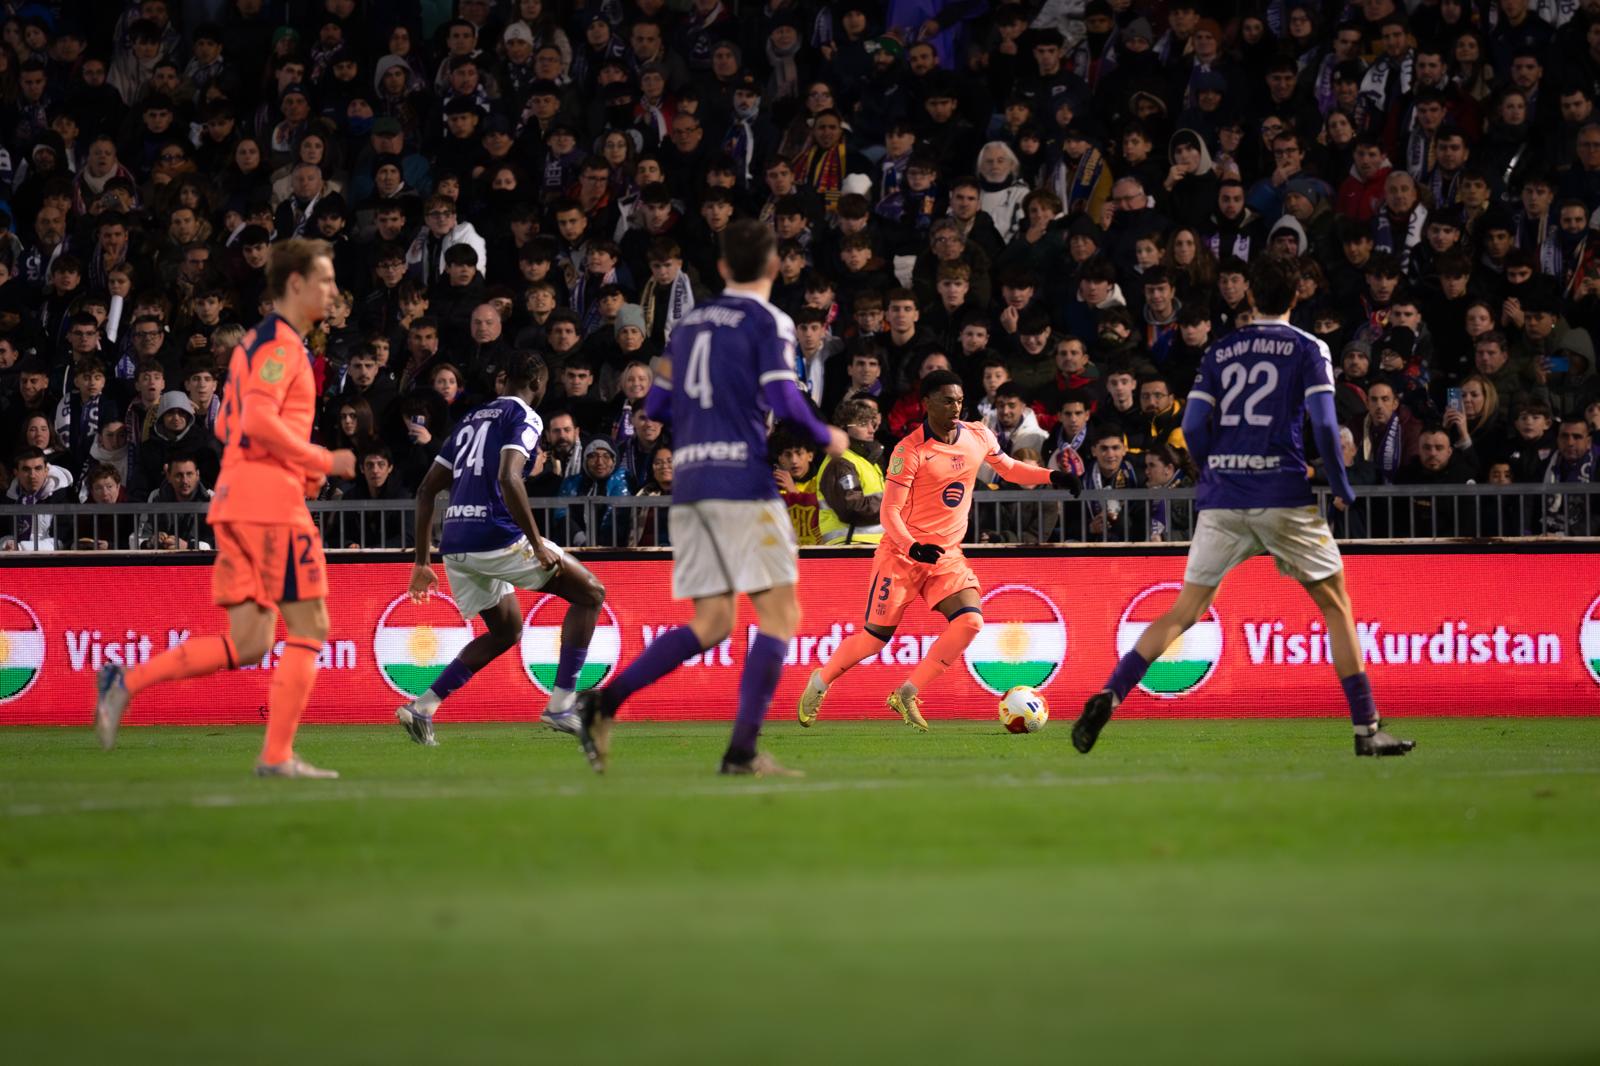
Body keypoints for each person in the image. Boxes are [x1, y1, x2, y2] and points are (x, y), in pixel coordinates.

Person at [1073, 256, 1415, 758]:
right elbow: (1325, 423)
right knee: (1336, 605)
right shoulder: (1309, 347)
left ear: (1251, 297)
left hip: (1224, 497)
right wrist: (1341, 483)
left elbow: (1192, 426)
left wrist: (1215, 468)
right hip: (1282, 495)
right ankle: (1367, 729)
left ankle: (1112, 691)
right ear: (1295, 297)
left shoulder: (1221, 349)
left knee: (1185, 611)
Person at [572, 220, 849, 777]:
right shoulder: (768, 320)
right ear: (773, 267)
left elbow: (656, 408)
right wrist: (827, 436)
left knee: (713, 622)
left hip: (692, 486)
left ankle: (604, 701)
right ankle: (741, 751)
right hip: (742, 483)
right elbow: (782, 396)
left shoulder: (688, 325)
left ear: (722, 268)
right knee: (780, 614)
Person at [93, 238, 359, 778]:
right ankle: (277, 755)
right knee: (310, 627)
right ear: (296, 285)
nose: (332, 291)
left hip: (242, 499)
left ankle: (127, 682)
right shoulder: (281, 347)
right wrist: (321, 459)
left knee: (252, 641)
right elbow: (256, 421)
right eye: (325, 280)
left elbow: (229, 424)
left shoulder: (259, 345)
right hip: (268, 504)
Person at [796, 369, 1081, 731]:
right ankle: (820, 681)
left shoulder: (977, 434)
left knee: (970, 621)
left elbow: (1008, 469)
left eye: (959, 400)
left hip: (945, 555)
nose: (955, 407)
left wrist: (1051, 476)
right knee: (874, 639)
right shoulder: (909, 451)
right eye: (947, 401)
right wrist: (912, 547)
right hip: (902, 555)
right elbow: (889, 512)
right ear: (926, 403)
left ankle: (907, 693)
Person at [399, 352, 607, 745]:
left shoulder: (469, 420)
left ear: (503, 379)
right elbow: (510, 478)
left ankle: (422, 707)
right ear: (538, 383)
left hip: (455, 543)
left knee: (506, 630)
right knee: (591, 593)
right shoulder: (525, 416)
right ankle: (562, 704)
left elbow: (426, 491)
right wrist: (536, 544)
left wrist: (422, 562)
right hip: (495, 536)